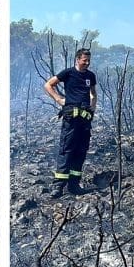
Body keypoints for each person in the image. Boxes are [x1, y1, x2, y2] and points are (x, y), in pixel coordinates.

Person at [44, 48, 97, 198]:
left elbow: (93, 93)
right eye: (84, 60)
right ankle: (58, 186)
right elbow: (48, 85)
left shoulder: (90, 76)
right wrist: (59, 99)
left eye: (89, 60)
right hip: (71, 119)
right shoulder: (68, 73)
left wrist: (92, 108)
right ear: (77, 59)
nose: (87, 63)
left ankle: (74, 185)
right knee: (66, 149)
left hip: (85, 120)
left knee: (81, 150)